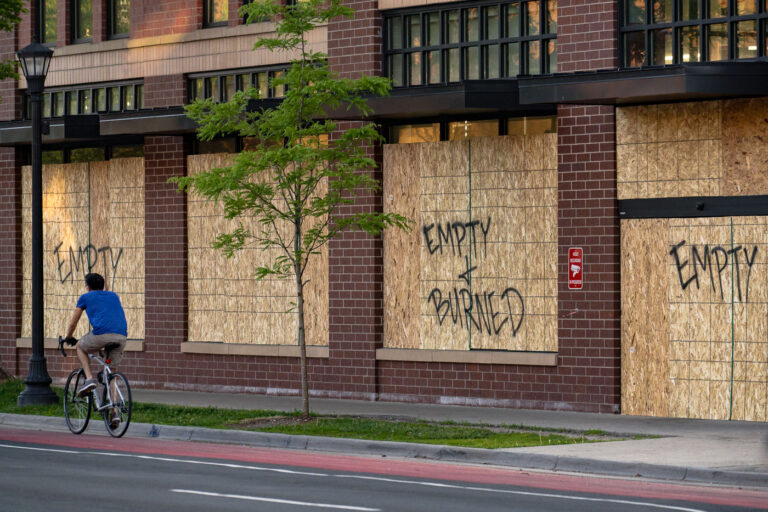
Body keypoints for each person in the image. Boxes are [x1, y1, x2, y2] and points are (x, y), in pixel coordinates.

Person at [64, 272, 128, 428]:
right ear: (102, 285)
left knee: (80, 346)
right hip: (121, 336)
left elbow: (73, 322)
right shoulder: (113, 296)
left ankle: (89, 379)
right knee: (111, 374)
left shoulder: (85, 297)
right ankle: (114, 412)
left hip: (101, 335)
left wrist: (68, 336)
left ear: (88, 286)